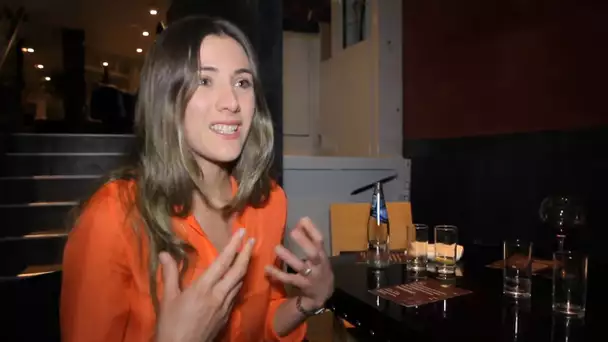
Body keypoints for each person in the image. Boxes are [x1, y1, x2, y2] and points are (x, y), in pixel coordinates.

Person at [60, 16, 334, 342]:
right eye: (205, 81)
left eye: (242, 82)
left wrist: (308, 301)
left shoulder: (269, 203)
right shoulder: (113, 216)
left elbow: (258, 325)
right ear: (167, 97)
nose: (231, 102)